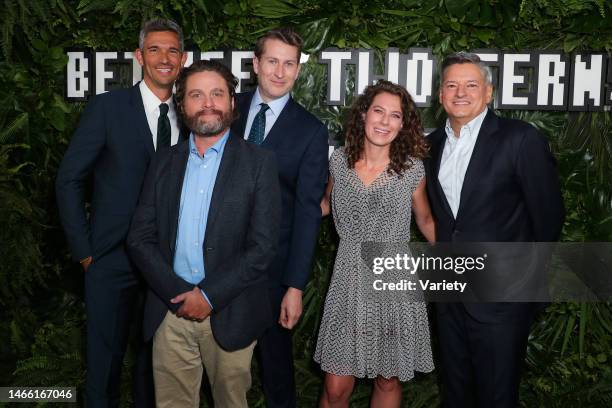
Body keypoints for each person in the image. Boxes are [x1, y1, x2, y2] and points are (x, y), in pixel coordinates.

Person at [126, 59, 281, 408]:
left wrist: (208, 296)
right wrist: (178, 293)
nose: (208, 102)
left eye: (217, 94)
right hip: (170, 312)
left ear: (232, 103)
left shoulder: (259, 163)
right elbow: (139, 237)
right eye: (196, 95)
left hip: (231, 312)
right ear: (182, 106)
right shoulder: (163, 162)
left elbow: (263, 247)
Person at [55, 19, 187, 407]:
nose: (165, 58)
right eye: (155, 50)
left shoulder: (193, 112)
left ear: (184, 58)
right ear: (138, 56)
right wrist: (85, 251)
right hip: (110, 260)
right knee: (103, 368)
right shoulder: (107, 108)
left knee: (155, 370)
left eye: (173, 51)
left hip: (168, 263)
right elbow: (68, 180)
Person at [425, 52, 564, 407]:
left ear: (488, 93)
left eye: (471, 85)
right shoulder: (431, 146)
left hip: (503, 300)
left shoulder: (520, 139)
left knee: (498, 398)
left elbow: (548, 219)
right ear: (440, 95)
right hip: (450, 295)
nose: (460, 93)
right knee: (455, 396)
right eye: (452, 85)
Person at [315, 80, 436, 407]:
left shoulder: (411, 169)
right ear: (364, 115)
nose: (384, 121)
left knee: (387, 379)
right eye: (378, 111)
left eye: (394, 115)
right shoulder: (339, 161)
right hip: (348, 278)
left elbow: (425, 220)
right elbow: (325, 204)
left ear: (403, 124)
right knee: (336, 387)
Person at [231, 27, 329, 407]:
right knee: (216, 370)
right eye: (272, 60)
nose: (279, 71)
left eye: (289, 63)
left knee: (275, 371)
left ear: (297, 70)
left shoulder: (310, 131)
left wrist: (294, 285)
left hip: (272, 274)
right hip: (212, 263)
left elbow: (307, 213)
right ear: (256, 63)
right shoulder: (225, 108)